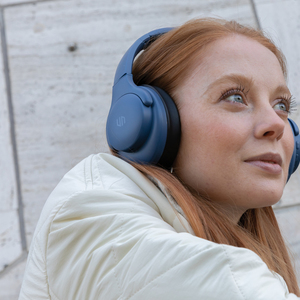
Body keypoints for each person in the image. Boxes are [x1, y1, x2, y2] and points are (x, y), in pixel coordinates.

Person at [19, 18, 300, 299]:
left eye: (281, 105)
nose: (275, 124)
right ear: (152, 123)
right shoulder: (91, 217)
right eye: (235, 98)